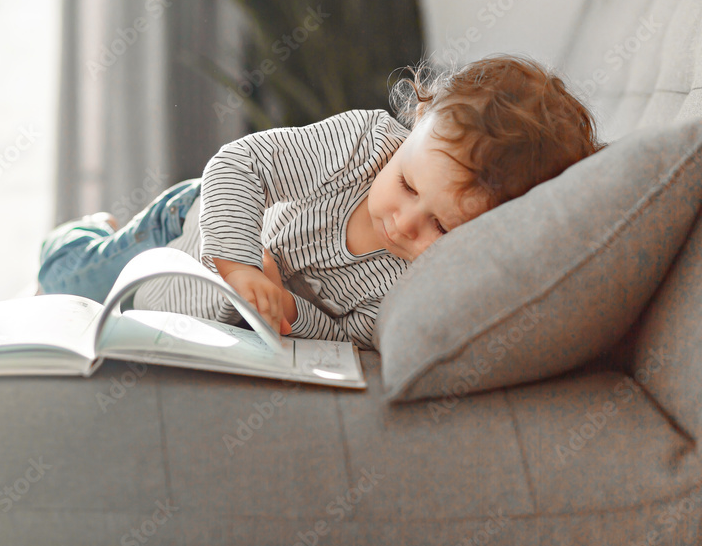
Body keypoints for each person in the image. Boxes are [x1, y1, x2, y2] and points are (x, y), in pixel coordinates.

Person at [36, 55, 602, 350]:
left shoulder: (420, 287)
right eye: (407, 185)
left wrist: (285, 306)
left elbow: (353, 330)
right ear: (414, 125)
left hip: (187, 313)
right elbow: (241, 164)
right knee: (60, 278)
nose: (404, 224)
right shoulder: (364, 146)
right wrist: (235, 262)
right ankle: (89, 229)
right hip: (184, 229)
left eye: (443, 228)